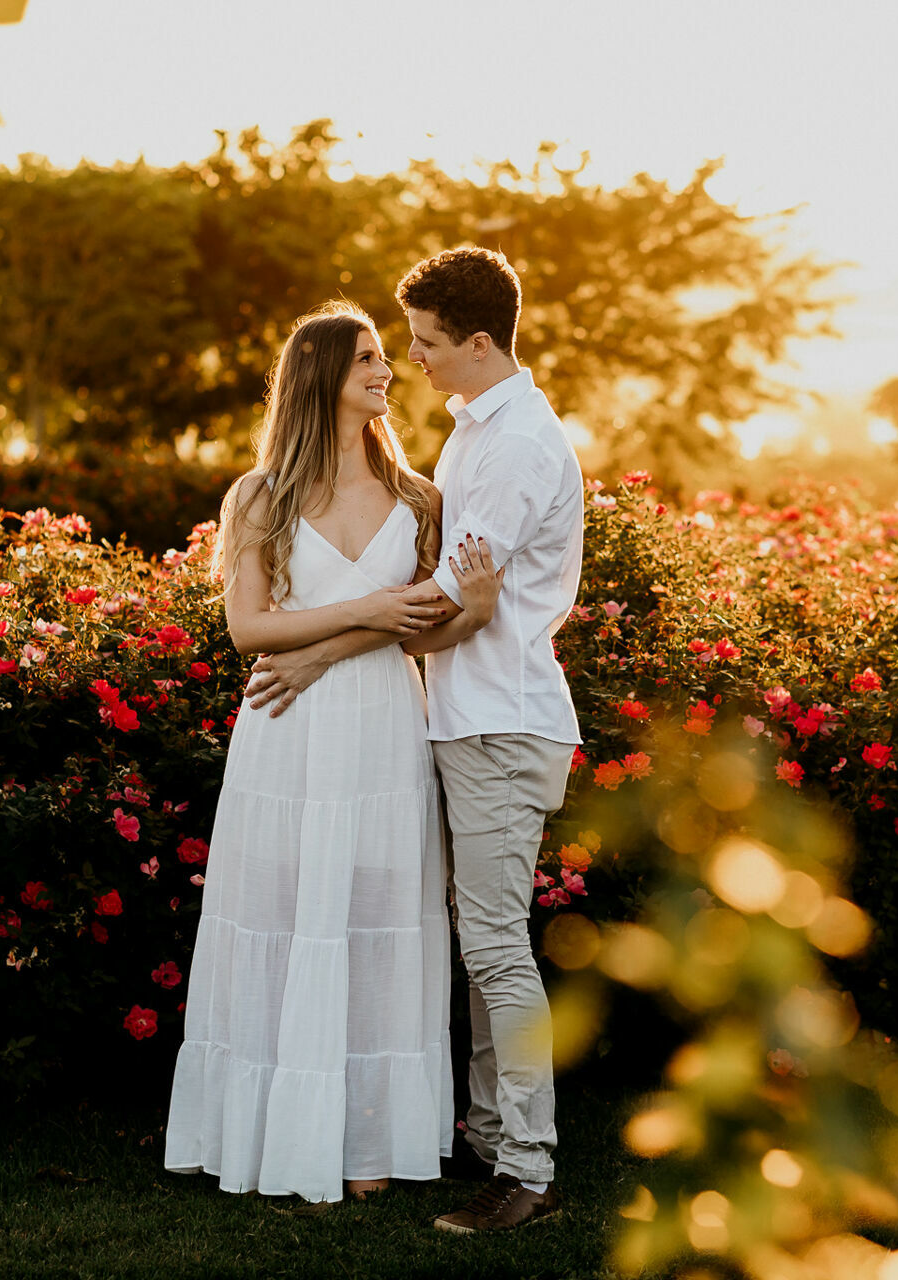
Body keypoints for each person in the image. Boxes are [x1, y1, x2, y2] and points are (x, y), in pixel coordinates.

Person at [246, 248, 585, 1234]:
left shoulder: (517, 444)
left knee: (493, 944)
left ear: (478, 341)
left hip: (499, 718)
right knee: (483, 943)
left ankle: (526, 1167)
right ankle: (489, 1132)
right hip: (466, 715)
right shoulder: (476, 434)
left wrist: (314, 653)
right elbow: (453, 595)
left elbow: (450, 600)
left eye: (429, 341)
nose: (414, 358)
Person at [163, 301, 505, 1204]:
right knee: (284, 920)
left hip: (386, 730)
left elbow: (422, 631)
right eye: (367, 358)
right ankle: (272, 1133)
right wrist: (364, 611)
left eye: (389, 356)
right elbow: (246, 629)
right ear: (319, 375)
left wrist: (445, 612)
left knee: (376, 921)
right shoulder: (259, 495)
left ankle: (365, 1144)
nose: (388, 370)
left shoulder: (419, 498)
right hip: (289, 736)